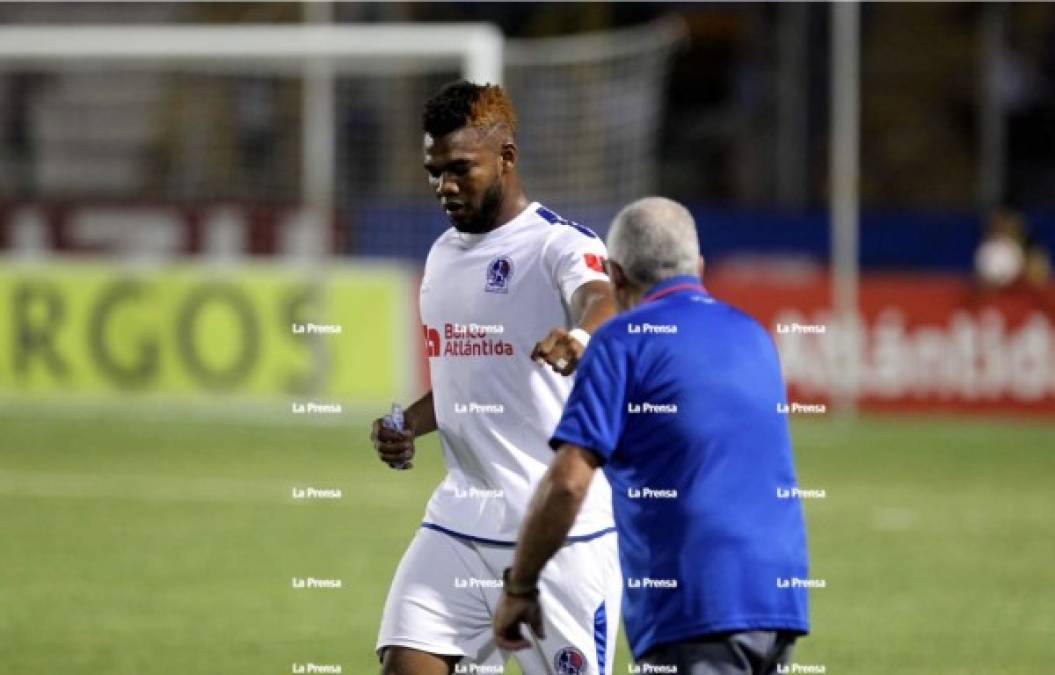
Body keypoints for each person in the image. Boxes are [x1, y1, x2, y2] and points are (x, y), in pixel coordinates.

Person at [494, 197, 811, 675]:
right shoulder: (754, 336)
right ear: (698, 267)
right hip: (779, 602)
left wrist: (520, 587)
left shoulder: (622, 342)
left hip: (694, 606)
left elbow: (567, 483)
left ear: (615, 277)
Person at [370, 80, 623, 675]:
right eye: (434, 172)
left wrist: (581, 337)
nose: (444, 186)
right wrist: (409, 422)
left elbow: (605, 296)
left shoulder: (558, 244)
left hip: (561, 538)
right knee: (405, 664)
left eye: (460, 169)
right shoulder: (440, 255)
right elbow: (469, 379)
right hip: (458, 524)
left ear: (507, 157)